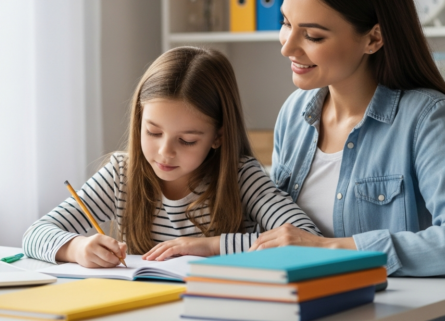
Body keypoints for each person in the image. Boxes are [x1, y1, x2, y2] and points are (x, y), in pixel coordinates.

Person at [248, 0, 445, 276]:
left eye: (313, 36)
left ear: (373, 38)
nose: (287, 47)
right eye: (286, 24)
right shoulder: (294, 115)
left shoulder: (427, 119)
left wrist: (333, 249)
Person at [22, 46, 321, 268]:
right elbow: (35, 234)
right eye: (152, 132)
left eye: (187, 140)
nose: (165, 152)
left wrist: (209, 246)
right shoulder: (121, 174)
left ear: (218, 136)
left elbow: (303, 239)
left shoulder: (240, 177)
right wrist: (77, 248)